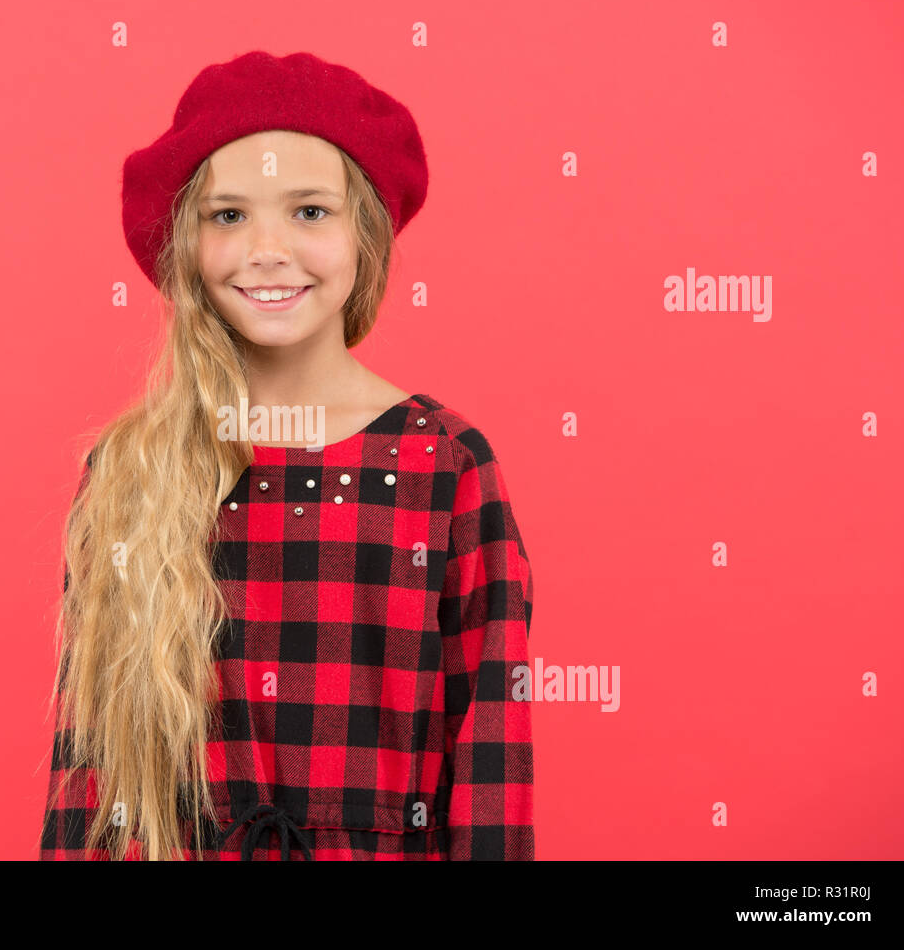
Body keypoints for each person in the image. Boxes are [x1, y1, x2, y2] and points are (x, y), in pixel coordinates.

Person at [39, 50, 534, 860]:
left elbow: (491, 754)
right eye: (229, 216)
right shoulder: (131, 471)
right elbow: (88, 767)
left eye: (309, 211)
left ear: (366, 232)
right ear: (187, 247)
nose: (268, 249)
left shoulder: (445, 464)